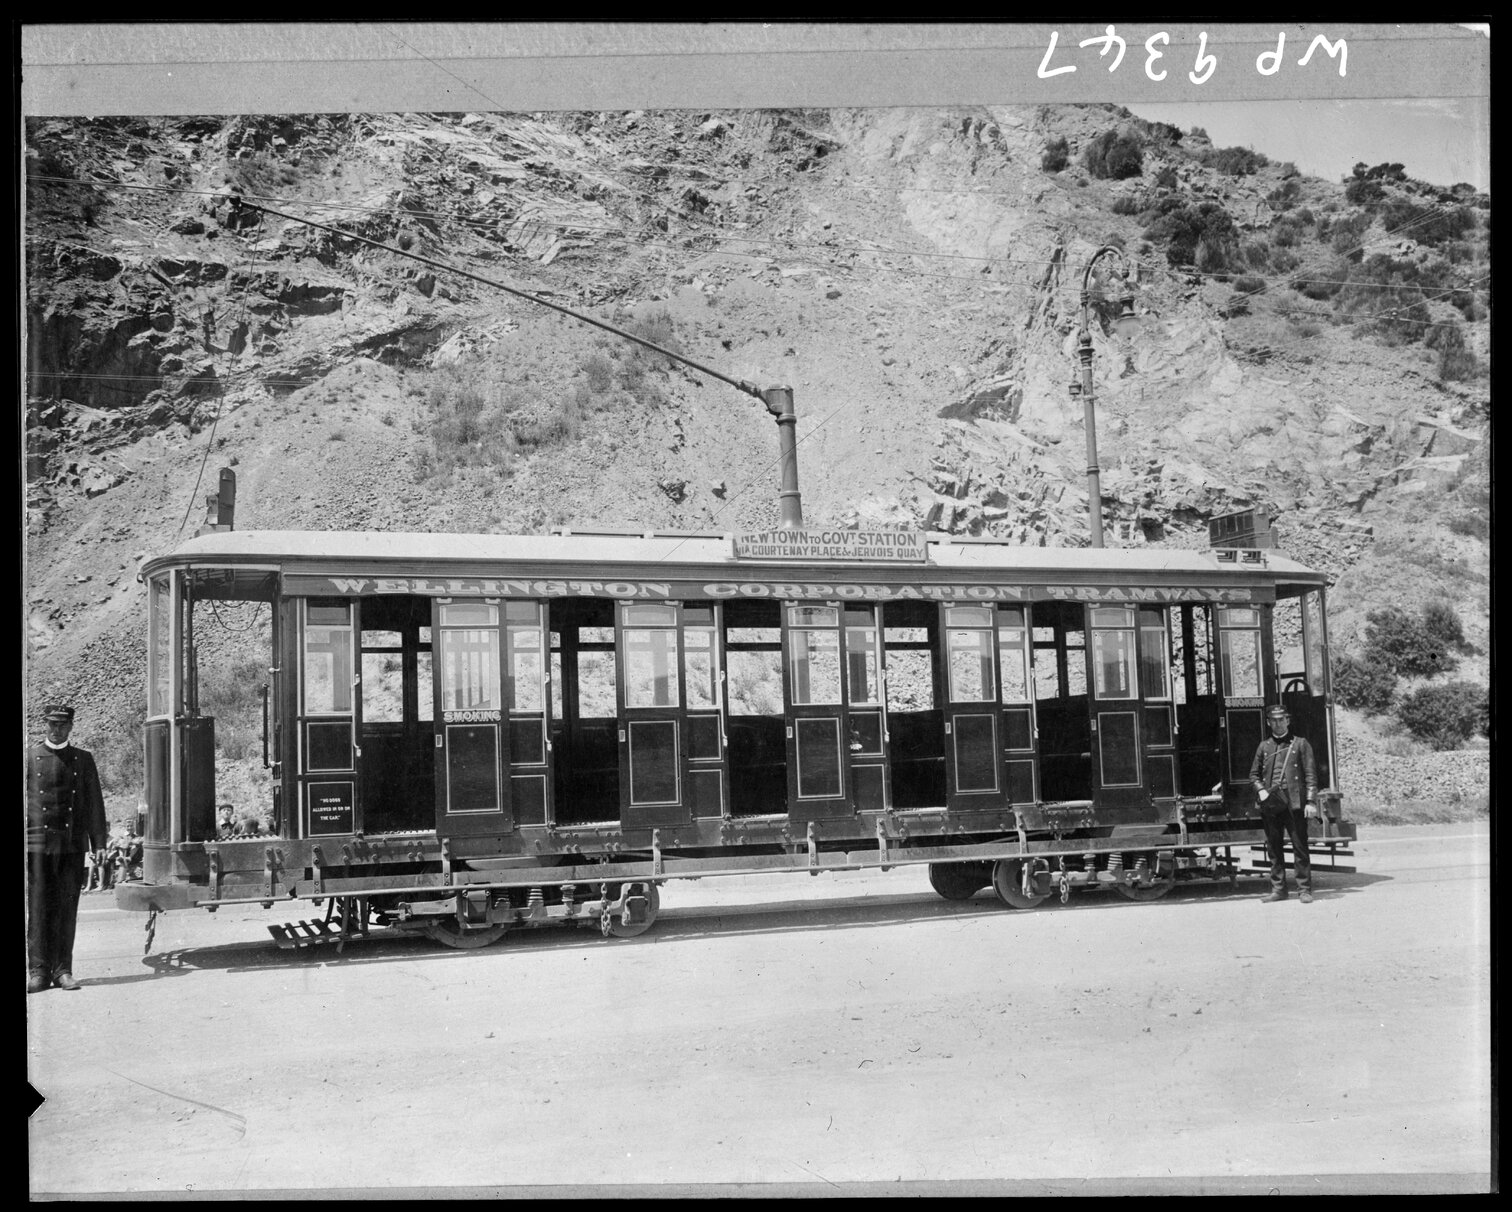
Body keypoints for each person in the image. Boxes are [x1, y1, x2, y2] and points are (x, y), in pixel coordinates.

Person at [26, 704, 109, 992]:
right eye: (52, 724)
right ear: (44, 724)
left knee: (66, 909)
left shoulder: (83, 759)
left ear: (71, 727)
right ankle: (37, 971)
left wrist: (99, 842)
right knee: (38, 909)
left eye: (62, 725)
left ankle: (62, 971)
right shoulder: (31, 757)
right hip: (37, 844)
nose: (56, 729)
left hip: (72, 844)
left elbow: (95, 804)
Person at [1249, 704, 1320, 904]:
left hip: (1295, 803)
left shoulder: (1300, 744)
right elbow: (1253, 775)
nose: (1278, 724)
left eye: (1282, 720)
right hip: (1272, 804)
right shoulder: (1264, 746)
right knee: (1274, 847)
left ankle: (1304, 890)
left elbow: (1310, 775)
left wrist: (1311, 801)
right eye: (1274, 720)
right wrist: (1261, 790)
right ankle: (1278, 889)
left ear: (1288, 721)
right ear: (1268, 722)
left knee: (1300, 847)